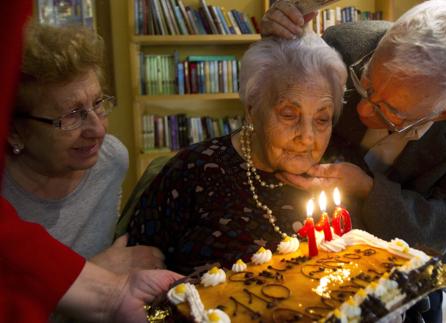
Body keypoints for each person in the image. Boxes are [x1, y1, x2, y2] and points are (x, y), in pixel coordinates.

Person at [261, 0, 446, 321]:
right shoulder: (344, 46)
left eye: (391, 111)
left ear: (443, 113)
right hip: (316, 242)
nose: (363, 110)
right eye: (365, 84)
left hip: (410, 256)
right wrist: (279, 46)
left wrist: (367, 188)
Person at [0, 3, 182, 322]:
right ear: (15, 131)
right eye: (71, 116)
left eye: (98, 104)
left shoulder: (110, 160)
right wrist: (101, 271)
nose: (97, 129)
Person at [126, 32, 348, 276]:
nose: (307, 136)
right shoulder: (193, 171)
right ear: (252, 110)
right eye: (289, 114)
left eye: (322, 119)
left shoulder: (337, 180)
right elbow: (135, 268)